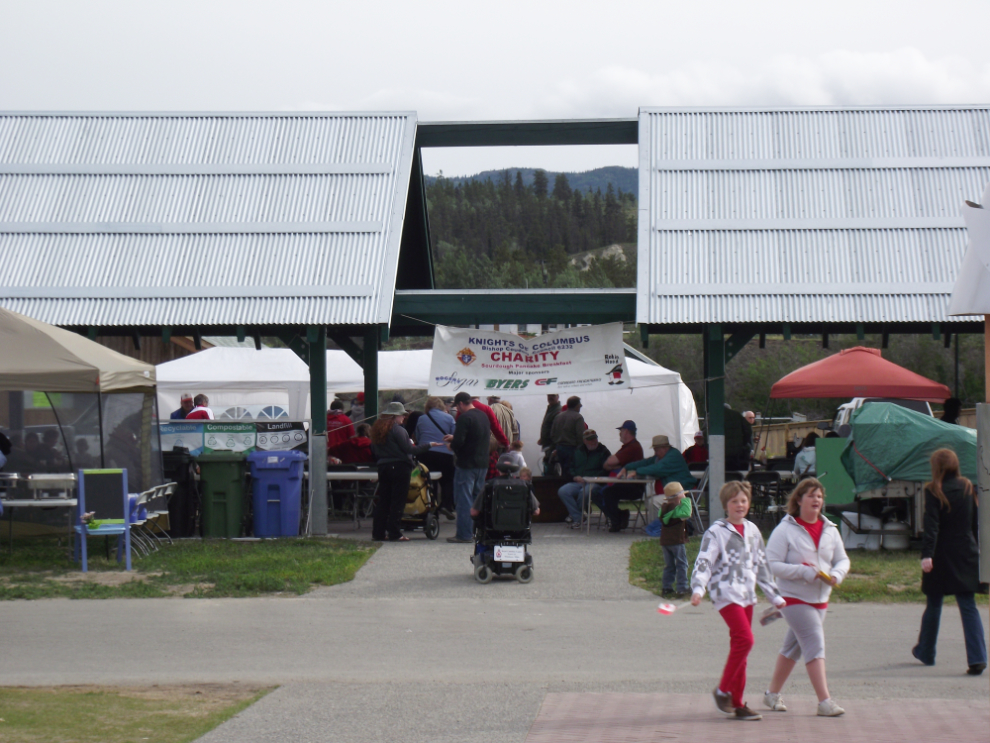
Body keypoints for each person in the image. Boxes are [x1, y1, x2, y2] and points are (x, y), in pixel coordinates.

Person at [691, 480, 786, 722]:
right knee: (745, 640)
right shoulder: (716, 532)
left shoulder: (753, 531)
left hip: (747, 596)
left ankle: (737, 703)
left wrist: (774, 595)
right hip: (725, 594)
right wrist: (699, 587)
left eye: (743, 500)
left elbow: (762, 565)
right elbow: (704, 561)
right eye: (734, 501)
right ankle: (723, 690)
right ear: (726, 505)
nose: (740, 505)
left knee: (740, 648)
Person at [763, 477, 850, 717]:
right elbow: (773, 565)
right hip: (793, 596)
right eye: (811, 495)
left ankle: (771, 694)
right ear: (799, 499)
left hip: (821, 598)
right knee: (814, 642)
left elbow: (842, 559)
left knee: (793, 647)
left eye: (819, 496)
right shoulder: (785, 529)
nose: (816, 500)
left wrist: (837, 574)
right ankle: (825, 701)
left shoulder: (830, 529)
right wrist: (802, 571)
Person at [912, 448, 987, 676]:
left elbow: (932, 525)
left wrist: (927, 555)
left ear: (936, 467)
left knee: (934, 604)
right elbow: (975, 521)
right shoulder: (967, 487)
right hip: (966, 552)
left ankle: (926, 651)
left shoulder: (933, 490)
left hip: (941, 555)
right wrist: (980, 549)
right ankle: (977, 658)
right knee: (968, 605)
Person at [369, 402, 436, 542]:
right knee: (397, 501)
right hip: (400, 467)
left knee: (384, 501)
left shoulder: (377, 431)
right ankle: (395, 533)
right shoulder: (398, 430)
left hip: (383, 467)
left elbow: (374, 451)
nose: (403, 418)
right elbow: (410, 450)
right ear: (395, 416)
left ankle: (378, 533)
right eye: (401, 415)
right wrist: (429, 445)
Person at [443, 391, 492, 544]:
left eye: (457, 407)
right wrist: (455, 437)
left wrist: (452, 444)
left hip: (466, 464)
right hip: (482, 463)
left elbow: (459, 443)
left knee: (464, 500)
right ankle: (480, 532)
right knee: (478, 499)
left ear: (460, 404)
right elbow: (476, 436)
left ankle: (464, 534)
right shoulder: (482, 415)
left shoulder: (465, 417)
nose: (458, 410)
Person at [591, 420, 645, 531]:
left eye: (621, 431)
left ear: (626, 432)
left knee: (604, 492)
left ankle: (616, 519)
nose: (619, 434)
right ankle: (618, 517)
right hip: (626, 483)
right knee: (598, 491)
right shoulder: (629, 446)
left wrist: (612, 465)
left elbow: (610, 462)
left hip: (633, 486)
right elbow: (610, 463)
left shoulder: (631, 447)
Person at [557, 429, 611, 527]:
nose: (593, 441)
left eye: (595, 438)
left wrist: (593, 478)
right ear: (584, 441)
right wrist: (574, 477)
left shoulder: (604, 451)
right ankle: (579, 516)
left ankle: (577, 518)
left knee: (584, 492)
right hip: (578, 481)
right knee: (563, 491)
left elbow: (606, 469)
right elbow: (569, 467)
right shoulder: (577, 451)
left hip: (596, 482)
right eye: (590, 439)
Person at [415, 397, 457, 519]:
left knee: (428, 481)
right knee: (448, 480)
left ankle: (430, 507)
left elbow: (417, 436)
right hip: (445, 453)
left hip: (425, 453)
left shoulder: (421, 418)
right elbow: (454, 436)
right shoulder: (449, 418)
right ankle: (446, 505)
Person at [659, 481, 693, 598]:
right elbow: (687, 513)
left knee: (670, 565)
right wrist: (685, 500)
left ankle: (667, 587)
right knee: (682, 564)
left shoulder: (664, 509)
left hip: (665, 542)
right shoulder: (677, 511)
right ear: (678, 497)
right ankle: (682, 588)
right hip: (676, 541)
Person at [550, 396, 585, 478]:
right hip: (572, 449)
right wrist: (581, 449)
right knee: (572, 473)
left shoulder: (558, 416)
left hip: (559, 448)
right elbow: (580, 435)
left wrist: (557, 444)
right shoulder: (578, 417)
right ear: (577, 406)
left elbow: (552, 434)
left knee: (563, 473)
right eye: (580, 405)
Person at [538, 394, 562, 472]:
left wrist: (554, 446)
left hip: (553, 446)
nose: (550, 397)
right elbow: (548, 426)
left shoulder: (558, 410)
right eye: (549, 395)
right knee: (548, 466)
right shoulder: (551, 408)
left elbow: (557, 430)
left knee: (552, 468)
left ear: (558, 397)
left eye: (553, 396)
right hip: (548, 445)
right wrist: (543, 438)